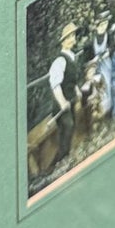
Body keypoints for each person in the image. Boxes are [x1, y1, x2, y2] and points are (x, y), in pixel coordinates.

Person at [47, 23, 83, 161]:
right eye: (69, 37)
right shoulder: (60, 60)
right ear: (63, 41)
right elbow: (55, 85)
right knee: (68, 127)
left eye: (73, 36)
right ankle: (58, 163)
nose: (72, 39)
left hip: (71, 100)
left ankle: (65, 157)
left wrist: (76, 90)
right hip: (61, 105)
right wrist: (62, 102)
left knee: (71, 128)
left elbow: (71, 80)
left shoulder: (72, 57)